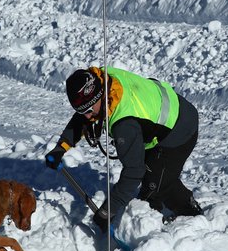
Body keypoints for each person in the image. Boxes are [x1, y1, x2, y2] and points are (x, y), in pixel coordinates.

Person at [45, 67, 203, 231]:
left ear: (100, 96)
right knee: (157, 174)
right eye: (82, 111)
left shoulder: (124, 124)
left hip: (180, 128)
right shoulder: (101, 80)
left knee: (153, 188)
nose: (87, 116)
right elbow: (81, 119)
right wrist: (61, 147)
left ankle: (192, 218)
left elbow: (134, 172)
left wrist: (108, 210)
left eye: (89, 110)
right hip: (159, 114)